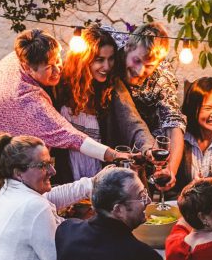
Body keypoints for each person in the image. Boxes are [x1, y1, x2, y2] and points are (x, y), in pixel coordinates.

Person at [0, 29, 123, 185]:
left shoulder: (15, 57)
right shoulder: (26, 99)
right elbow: (69, 135)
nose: (58, 70)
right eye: (49, 68)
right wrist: (115, 155)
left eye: (57, 60)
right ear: (28, 68)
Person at [52, 26, 155, 183]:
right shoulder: (61, 84)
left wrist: (148, 147)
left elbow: (133, 122)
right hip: (66, 172)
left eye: (111, 59)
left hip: (102, 175)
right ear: (83, 59)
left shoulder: (113, 86)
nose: (107, 66)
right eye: (100, 60)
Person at [106, 22, 187, 191]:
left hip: (143, 147)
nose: (140, 70)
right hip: (106, 130)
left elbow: (174, 124)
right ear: (128, 47)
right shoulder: (113, 46)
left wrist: (170, 170)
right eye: (136, 60)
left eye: (149, 66)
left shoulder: (163, 77)